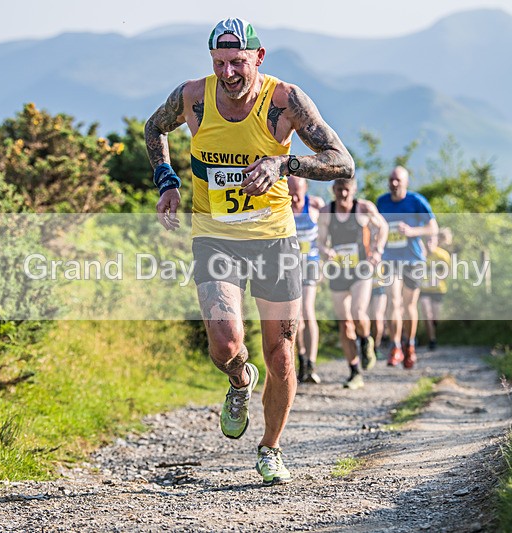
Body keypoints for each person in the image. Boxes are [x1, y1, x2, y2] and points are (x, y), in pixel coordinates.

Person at [145, 18, 354, 486]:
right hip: (215, 235)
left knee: (282, 356)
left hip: (274, 240)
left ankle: (270, 448)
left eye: (238, 62)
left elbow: (343, 161)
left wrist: (284, 162)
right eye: (219, 63)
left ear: (258, 58)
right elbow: (153, 128)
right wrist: (168, 181)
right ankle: (240, 381)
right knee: (225, 343)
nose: (228, 73)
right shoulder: (193, 97)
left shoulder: (285, 101)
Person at [317, 178, 387, 389]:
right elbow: (320, 241)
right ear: (334, 190)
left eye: (347, 190)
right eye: (339, 190)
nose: (343, 195)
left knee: (357, 312)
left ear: (353, 190)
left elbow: (382, 227)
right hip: (338, 271)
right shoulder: (326, 212)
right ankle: (354, 371)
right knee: (345, 323)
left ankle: (366, 340)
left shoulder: (363, 208)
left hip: (361, 269)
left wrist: (377, 251)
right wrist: (325, 251)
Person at [376, 166, 438, 369]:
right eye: (391, 180)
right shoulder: (382, 202)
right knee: (394, 303)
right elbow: (375, 227)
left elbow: (432, 228)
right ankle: (395, 347)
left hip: (413, 260)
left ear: (406, 183)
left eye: (398, 181)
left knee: (409, 305)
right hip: (390, 259)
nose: (394, 184)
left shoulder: (416, 201)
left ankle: (409, 345)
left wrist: (412, 231)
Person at [288, 175, 325, 384]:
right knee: (296, 318)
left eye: (297, 194)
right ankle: (302, 358)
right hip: (290, 267)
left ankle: (311, 361)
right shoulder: (283, 207)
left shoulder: (315, 206)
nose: (294, 199)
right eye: (290, 193)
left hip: (310, 264)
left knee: (308, 312)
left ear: (305, 189)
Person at [420, 232, 451, 350]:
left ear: (436, 241)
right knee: (426, 313)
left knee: (435, 317)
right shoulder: (421, 255)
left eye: (431, 240)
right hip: (424, 289)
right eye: (427, 240)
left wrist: (436, 278)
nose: (429, 243)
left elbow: (447, 272)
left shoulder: (443, 255)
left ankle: (434, 331)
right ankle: (432, 340)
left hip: (438, 290)